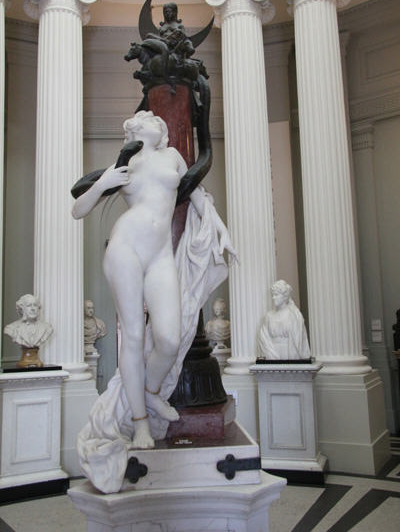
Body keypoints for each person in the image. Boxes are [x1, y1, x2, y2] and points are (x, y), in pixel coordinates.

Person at [72, 110, 234, 451]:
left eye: (156, 121)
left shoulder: (172, 156)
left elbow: (196, 193)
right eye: (145, 119)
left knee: (169, 339)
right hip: (125, 248)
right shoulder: (124, 165)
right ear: (130, 129)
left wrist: (219, 228)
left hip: (160, 255)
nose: (152, 120)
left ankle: (150, 392)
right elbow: (78, 209)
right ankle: (140, 424)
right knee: (132, 336)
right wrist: (104, 183)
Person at [258, 280, 311, 360]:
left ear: (285, 296)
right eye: (273, 295)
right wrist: (271, 355)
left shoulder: (293, 315)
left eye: (276, 295)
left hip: (289, 354)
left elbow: (298, 340)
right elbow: (264, 338)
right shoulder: (269, 316)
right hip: (272, 354)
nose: (273, 298)